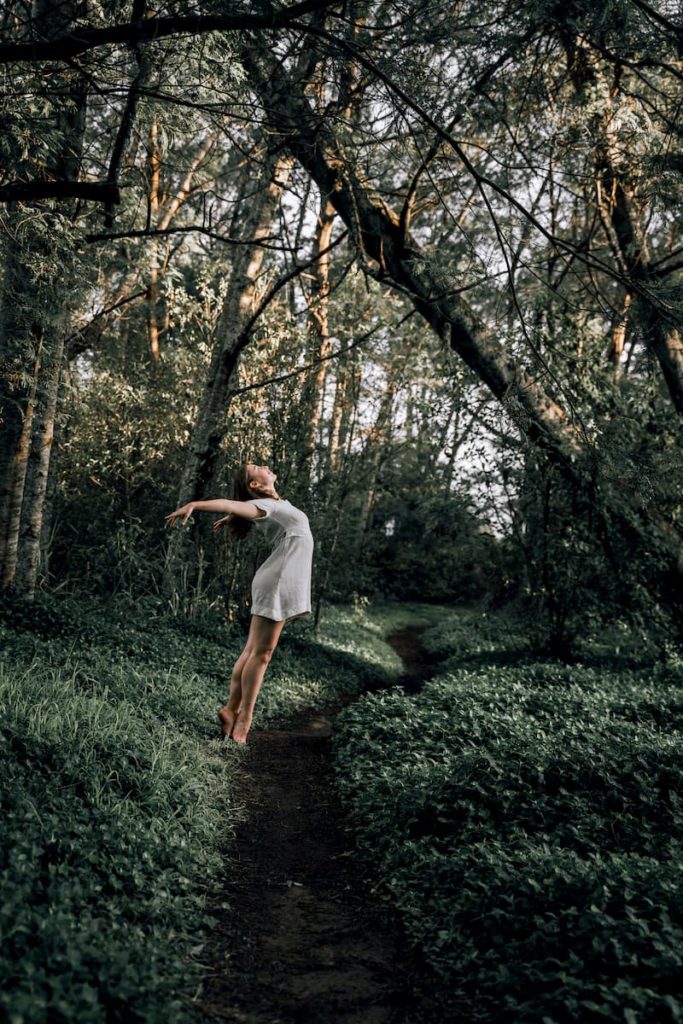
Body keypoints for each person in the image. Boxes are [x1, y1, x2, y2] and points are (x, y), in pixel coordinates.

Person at [165, 462, 314, 744]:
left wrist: (235, 515)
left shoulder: (277, 505)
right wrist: (195, 504)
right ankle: (244, 719)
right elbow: (229, 503)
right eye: (257, 467)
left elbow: (241, 509)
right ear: (254, 485)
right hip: (277, 580)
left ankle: (231, 711)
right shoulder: (265, 505)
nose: (266, 466)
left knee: (254, 651)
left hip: (276, 578)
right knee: (262, 654)